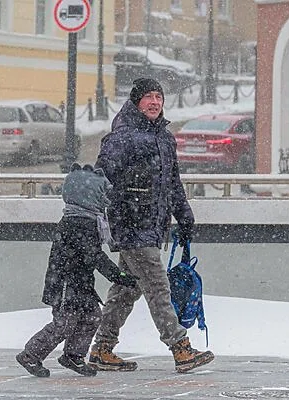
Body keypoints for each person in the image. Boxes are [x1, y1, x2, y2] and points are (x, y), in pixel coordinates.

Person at [88, 78, 215, 373]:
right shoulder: (122, 137)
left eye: (158, 97)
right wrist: (117, 208)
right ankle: (181, 349)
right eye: (148, 97)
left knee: (126, 289)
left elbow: (172, 183)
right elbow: (101, 178)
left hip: (151, 226)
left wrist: (184, 216)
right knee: (158, 287)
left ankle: (102, 348)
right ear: (136, 102)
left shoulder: (164, 138)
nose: (155, 102)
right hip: (131, 227)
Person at [16, 163, 138, 378]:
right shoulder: (78, 222)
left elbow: (91, 255)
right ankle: (31, 354)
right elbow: (93, 255)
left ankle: (73, 355)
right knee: (64, 323)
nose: (106, 199)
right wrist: (118, 276)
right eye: (102, 193)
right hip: (66, 283)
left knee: (92, 317)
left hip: (80, 282)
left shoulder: (89, 220)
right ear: (89, 195)